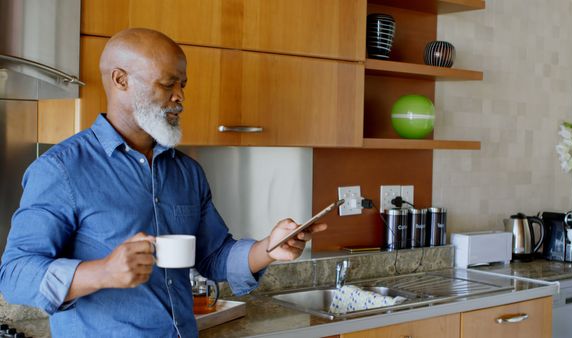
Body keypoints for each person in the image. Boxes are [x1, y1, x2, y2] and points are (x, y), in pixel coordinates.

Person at [0, 28, 327, 337]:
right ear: (121, 80)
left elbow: (213, 256)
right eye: (168, 84)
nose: (179, 96)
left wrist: (269, 248)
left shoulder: (187, 172)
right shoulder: (61, 169)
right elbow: (14, 275)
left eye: (182, 84)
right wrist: (103, 272)